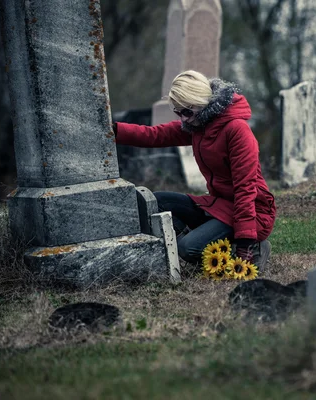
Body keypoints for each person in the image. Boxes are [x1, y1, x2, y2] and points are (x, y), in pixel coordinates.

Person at [113, 70, 276, 272]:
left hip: (254, 212)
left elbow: (246, 188)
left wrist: (245, 239)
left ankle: (256, 246)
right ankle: (208, 237)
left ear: (201, 102)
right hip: (220, 205)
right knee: (156, 201)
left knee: (188, 249)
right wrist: (112, 130)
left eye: (187, 112)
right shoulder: (199, 124)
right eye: (178, 112)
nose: (184, 119)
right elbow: (154, 135)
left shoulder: (237, 130)